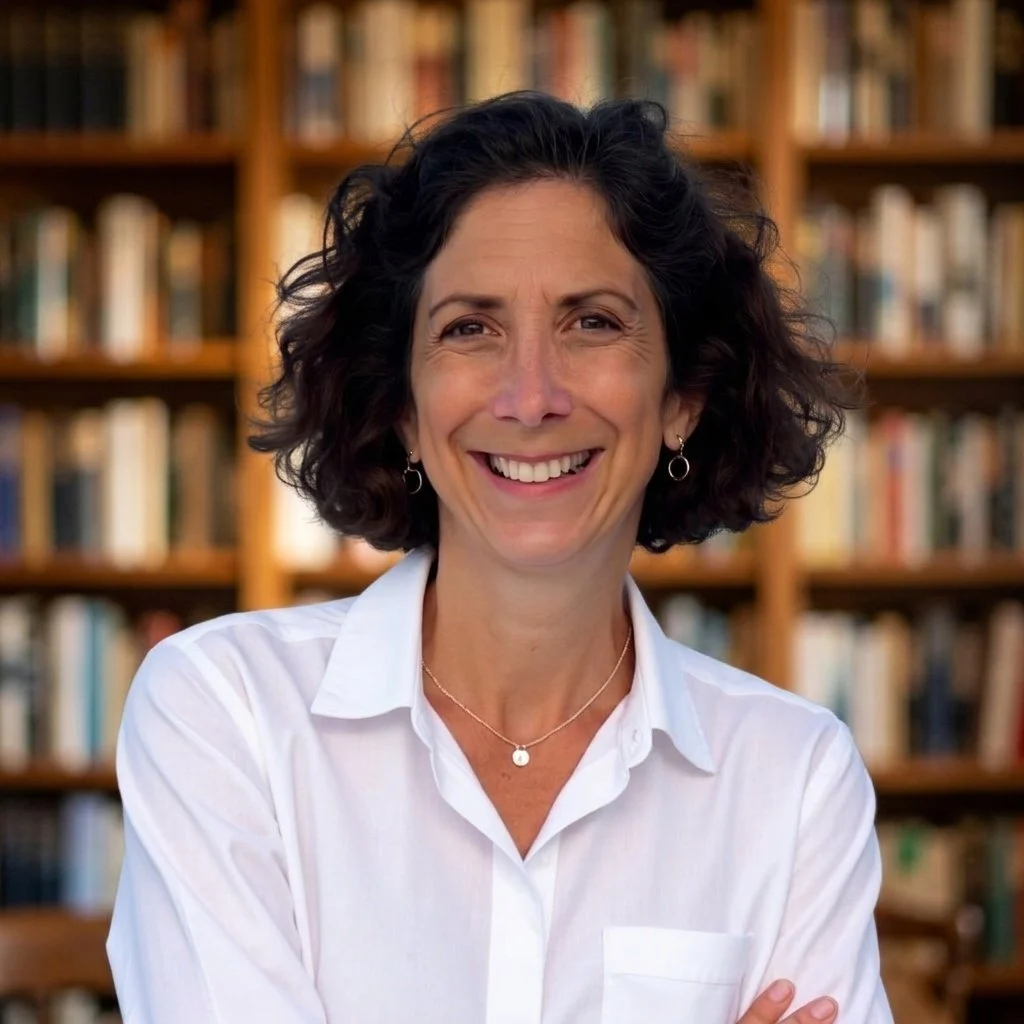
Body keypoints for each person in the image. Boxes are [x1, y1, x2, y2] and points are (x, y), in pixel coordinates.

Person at [106, 92, 892, 1023]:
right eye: (469, 328)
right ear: (401, 399)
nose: (530, 396)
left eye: (592, 321)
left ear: (683, 395)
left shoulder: (796, 777)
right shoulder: (223, 711)